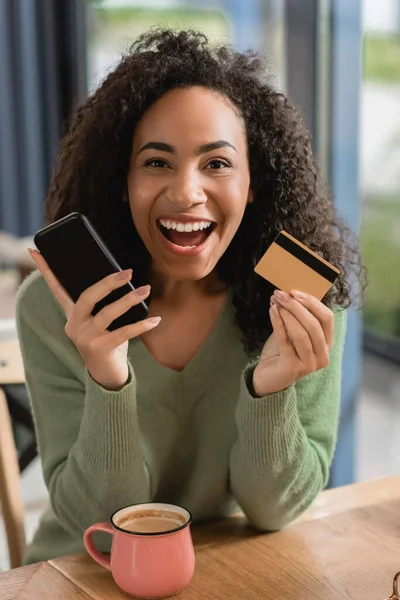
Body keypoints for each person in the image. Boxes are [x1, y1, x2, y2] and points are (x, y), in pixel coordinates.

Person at [16, 29, 363, 564]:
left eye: (217, 163)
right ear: (122, 179)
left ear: (254, 182)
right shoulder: (53, 307)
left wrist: (271, 389)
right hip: (82, 571)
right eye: (156, 162)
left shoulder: (301, 303)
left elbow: (276, 510)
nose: (186, 193)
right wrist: (107, 374)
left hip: (224, 570)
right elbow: (98, 524)